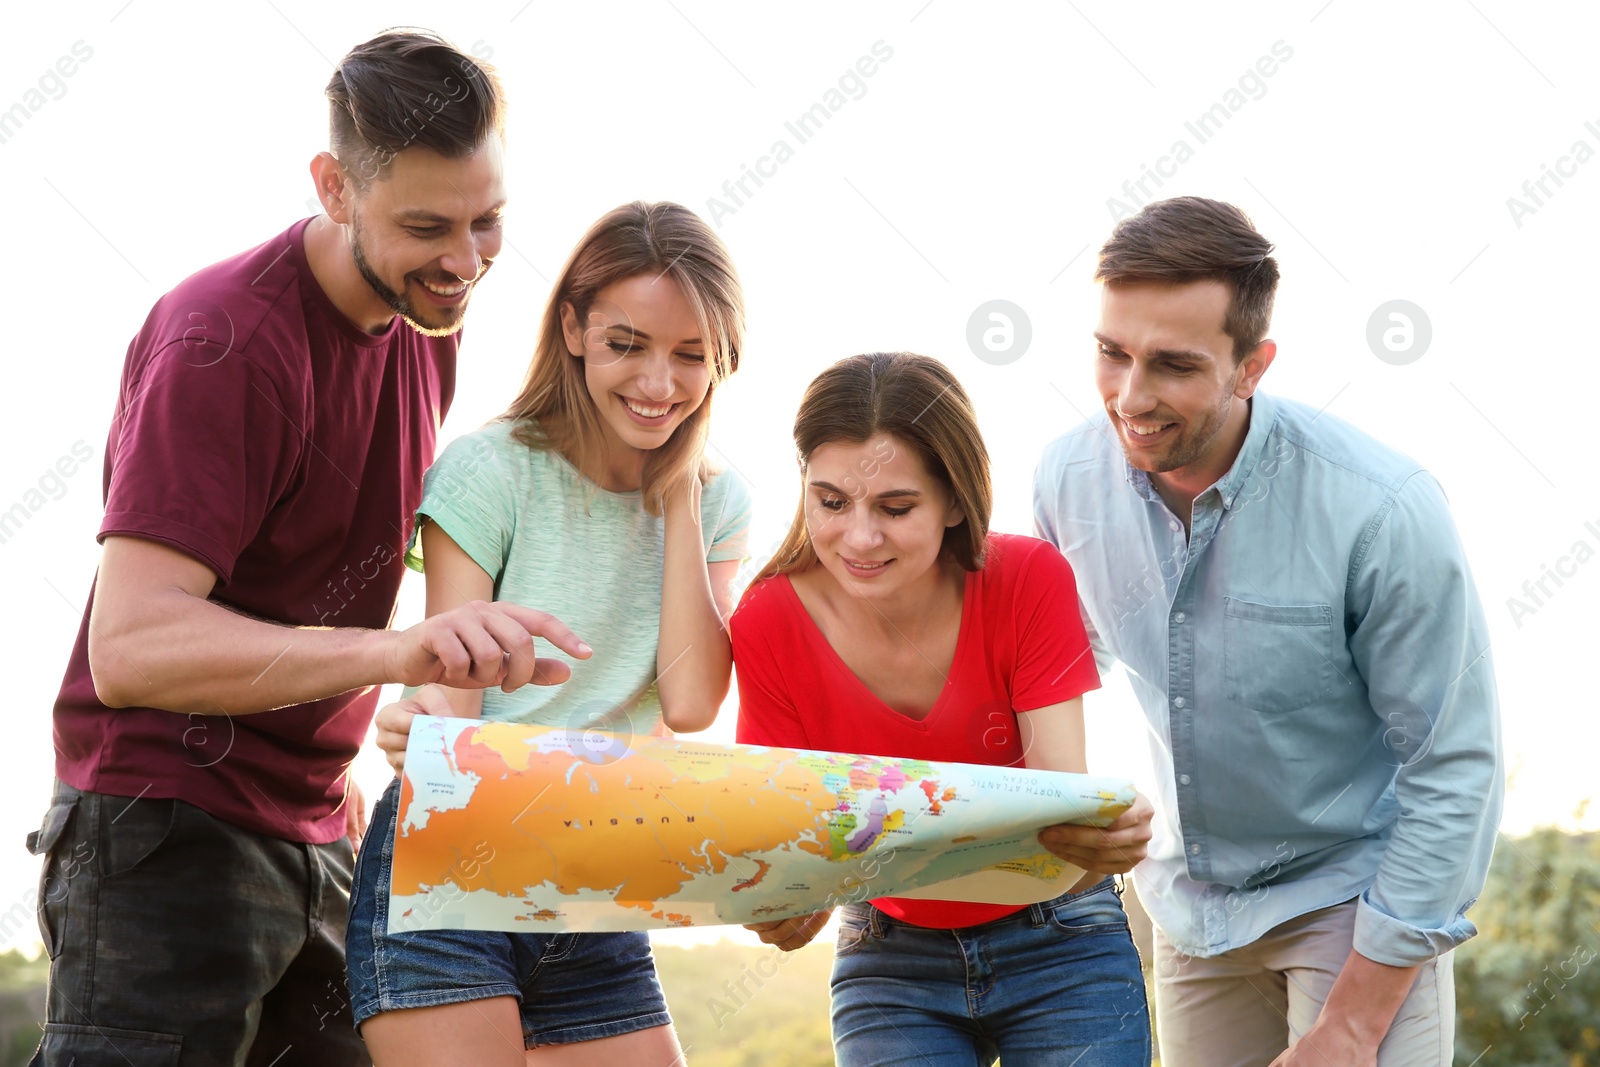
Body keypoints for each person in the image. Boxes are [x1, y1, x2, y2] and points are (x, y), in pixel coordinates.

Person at [28, 28, 588, 1067]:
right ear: (334, 186)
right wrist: (396, 652)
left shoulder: (429, 317)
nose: (465, 262)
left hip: (318, 829)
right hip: (165, 827)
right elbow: (134, 645)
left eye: (488, 220)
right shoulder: (221, 343)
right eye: (427, 226)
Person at [1033, 196, 1502, 1067]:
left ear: (1253, 366)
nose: (1128, 397)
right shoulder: (1064, 481)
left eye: (1172, 365)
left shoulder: (1381, 508)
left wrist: (1356, 1023)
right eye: (1111, 353)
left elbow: (1455, 765)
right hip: (1188, 908)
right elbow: (1042, 685)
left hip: (1352, 900)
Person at [358, 200, 750, 1066]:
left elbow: (688, 705)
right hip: (448, 863)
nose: (659, 383)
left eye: (692, 355)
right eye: (627, 344)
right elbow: (449, 697)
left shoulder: (718, 499)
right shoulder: (492, 468)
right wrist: (417, 721)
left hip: (595, 879)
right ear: (573, 327)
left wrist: (679, 489)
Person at [729, 352, 1154, 1067]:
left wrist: (1108, 834)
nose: (859, 538)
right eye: (831, 501)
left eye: (896, 508)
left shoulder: (1027, 580)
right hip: (891, 957)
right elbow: (783, 832)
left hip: (1060, 941)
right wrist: (778, 901)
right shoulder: (768, 619)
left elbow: (1058, 826)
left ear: (956, 500)